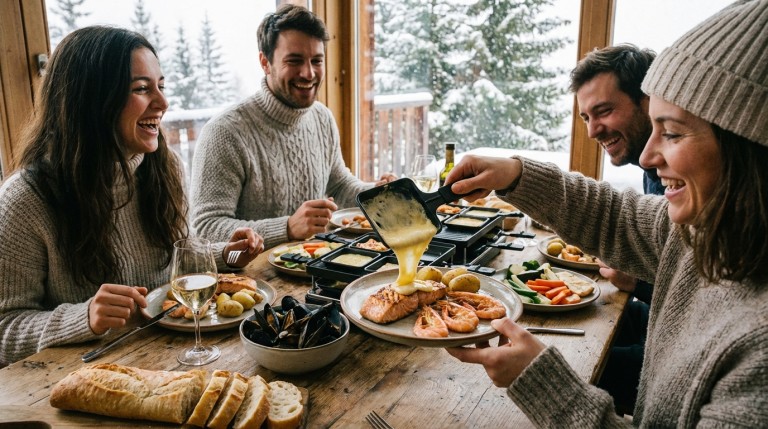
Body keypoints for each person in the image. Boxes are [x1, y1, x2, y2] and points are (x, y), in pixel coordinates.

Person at [444, 0, 768, 426]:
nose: (649, 156)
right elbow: (613, 214)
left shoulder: (758, 354)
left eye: (671, 133)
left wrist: (547, 387)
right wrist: (514, 174)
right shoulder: (706, 231)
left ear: (748, 151)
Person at [0, 26, 264, 366]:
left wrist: (226, 257)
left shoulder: (163, 167)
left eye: (161, 86)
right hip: (83, 384)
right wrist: (84, 318)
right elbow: (5, 330)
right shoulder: (24, 200)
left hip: (170, 359)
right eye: (142, 89)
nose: (163, 103)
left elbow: (174, 266)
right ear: (92, 100)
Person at [189, 4, 396, 249]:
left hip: (315, 266)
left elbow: (339, 185)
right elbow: (204, 228)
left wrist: (377, 193)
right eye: (294, 61)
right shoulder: (224, 132)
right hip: (251, 282)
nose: (308, 73)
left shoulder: (322, 117)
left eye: (316, 61)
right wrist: (286, 228)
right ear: (265, 62)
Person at [569, 44, 659, 413]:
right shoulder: (652, 171)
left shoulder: (680, 175)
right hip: (656, 315)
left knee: (576, 364)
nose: (592, 131)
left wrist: (639, 284)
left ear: (648, 100)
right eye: (586, 117)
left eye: (603, 111)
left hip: (669, 358)